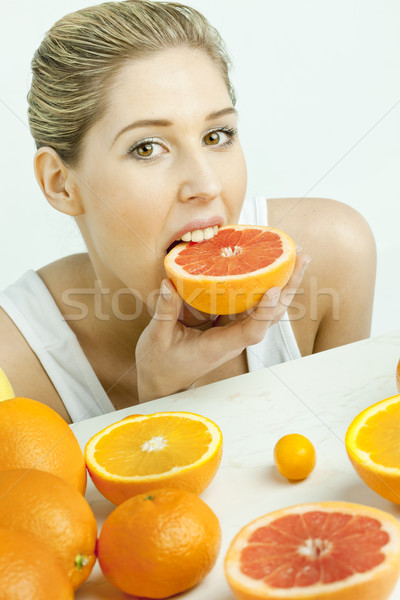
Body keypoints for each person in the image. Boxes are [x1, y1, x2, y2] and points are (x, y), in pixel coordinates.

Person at [0, 0, 376, 423]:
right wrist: (162, 403)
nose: (207, 185)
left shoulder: (334, 254)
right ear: (61, 184)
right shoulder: (13, 369)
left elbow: (352, 478)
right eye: (147, 148)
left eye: (217, 135)